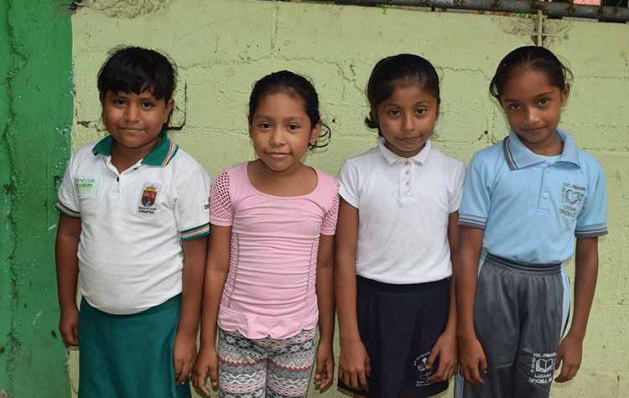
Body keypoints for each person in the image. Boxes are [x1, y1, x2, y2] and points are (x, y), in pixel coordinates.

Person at [55, 46, 210, 398]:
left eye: (146, 104)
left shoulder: (183, 173)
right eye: (120, 101)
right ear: (102, 102)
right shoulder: (83, 163)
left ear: (167, 108)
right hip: (96, 317)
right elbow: (67, 236)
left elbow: (197, 259)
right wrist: (67, 304)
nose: (131, 116)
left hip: (159, 323)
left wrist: (188, 334)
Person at [455, 46, 608, 398]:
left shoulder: (587, 170)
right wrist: (466, 333)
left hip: (549, 291)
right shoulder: (487, 164)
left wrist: (577, 336)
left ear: (563, 95)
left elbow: (587, 256)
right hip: (490, 286)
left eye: (543, 102)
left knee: (533, 390)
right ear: (502, 105)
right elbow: (467, 251)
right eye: (515, 106)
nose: (531, 118)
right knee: (482, 388)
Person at [193, 70, 338, 397]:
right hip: (236, 333)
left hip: (298, 337)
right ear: (250, 126)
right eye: (265, 125)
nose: (277, 139)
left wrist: (327, 338)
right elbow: (215, 266)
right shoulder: (229, 182)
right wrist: (207, 344)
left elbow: (325, 267)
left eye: (293, 126)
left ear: (314, 131)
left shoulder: (328, 192)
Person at [335, 53, 464, 397]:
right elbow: (344, 256)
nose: (408, 126)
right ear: (375, 112)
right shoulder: (356, 171)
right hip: (371, 302)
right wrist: (349, 339)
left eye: (420, 111)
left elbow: (459, 255)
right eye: (394, 112)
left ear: (437, 108)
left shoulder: (452, 173)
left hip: (431, 303)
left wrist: (453, 333)